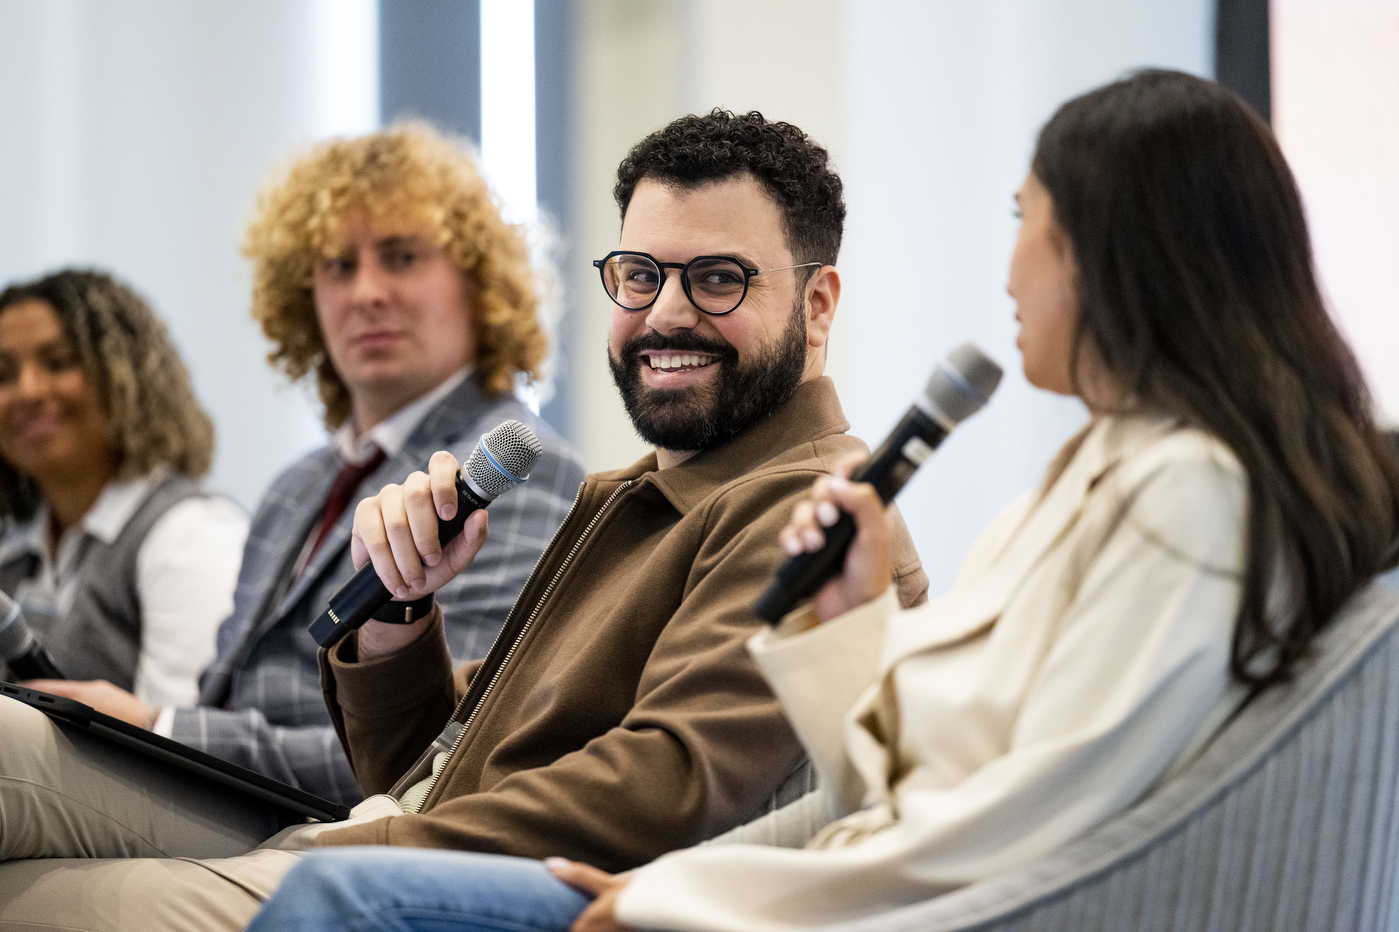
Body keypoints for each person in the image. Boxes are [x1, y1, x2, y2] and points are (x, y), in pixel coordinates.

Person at [243, 69, 1399, 932]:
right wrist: (844, 631)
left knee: (336, 889)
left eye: (1025, 225)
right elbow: (910, 783)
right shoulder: (1099, 473)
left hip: (840, 915)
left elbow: (1018, 829)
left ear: (1119, 258)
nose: (1005, 271)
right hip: (788, 892)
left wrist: (681, 896)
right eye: (640, 276)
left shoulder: (1185, 495)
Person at [0, 110, 927, 928]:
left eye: (719, 279)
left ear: (816, 304)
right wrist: (402, 617)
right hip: (381, 837)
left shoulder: (812, 503)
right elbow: (438, 758)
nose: (665, 314)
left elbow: (670, 785)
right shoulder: (634, 490)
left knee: (31, 905)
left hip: (424, 874)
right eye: (640, 275)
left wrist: (352, 850)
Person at [7, 124, 587, 807]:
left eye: (401, 256)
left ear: (482, 286)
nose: (367, 291)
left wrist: (160, 728)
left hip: (333, 821)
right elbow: (222, 694)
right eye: (338, 266)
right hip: (209, 798)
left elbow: (449, 748)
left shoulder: (513, 470)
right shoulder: (297, 487)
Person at [0, 269, 247, 710]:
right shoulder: (15, 545)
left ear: (126, 376)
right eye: (4, 374)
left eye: (57, 363)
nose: (28, 391)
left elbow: (186, 755)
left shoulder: (189, 536)